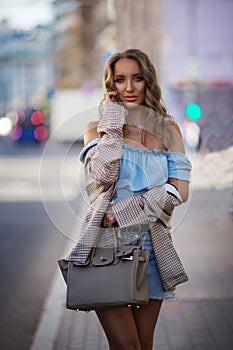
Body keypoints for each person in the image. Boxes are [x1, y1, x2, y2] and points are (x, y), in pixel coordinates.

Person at [67, 48, 192, 350]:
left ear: (148, 80)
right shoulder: (95, 130)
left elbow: (179, 191)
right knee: (126, 346)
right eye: (120, 79)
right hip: (108, 245)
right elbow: (102, 177)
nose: (129, 87)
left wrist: (125, 210)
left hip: (154, 246)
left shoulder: (168, 128)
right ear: (111, 85)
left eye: (137, 78)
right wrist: (112, 124)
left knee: (143, 345)